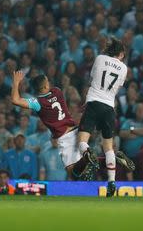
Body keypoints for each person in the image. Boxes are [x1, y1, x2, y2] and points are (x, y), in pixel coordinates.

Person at [77, 36, 135, 197]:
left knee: (82, 141)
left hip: (94, 103)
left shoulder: (100, 58)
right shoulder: (123, 68)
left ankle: (90, 156)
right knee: (108, 147)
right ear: (121, 54)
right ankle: (111, 181)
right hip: (109, 108)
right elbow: (116, 88)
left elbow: (93, 79)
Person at [11, 71, 87, 180]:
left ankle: (87, 160)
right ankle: (92, 159)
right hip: (76, 131)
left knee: (72, 172)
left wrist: (16, 82)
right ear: (46, 85)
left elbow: (15, 100)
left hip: (64, 136)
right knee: (80, 168)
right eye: (48, 81)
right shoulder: (57, 91)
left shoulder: (37, 102)